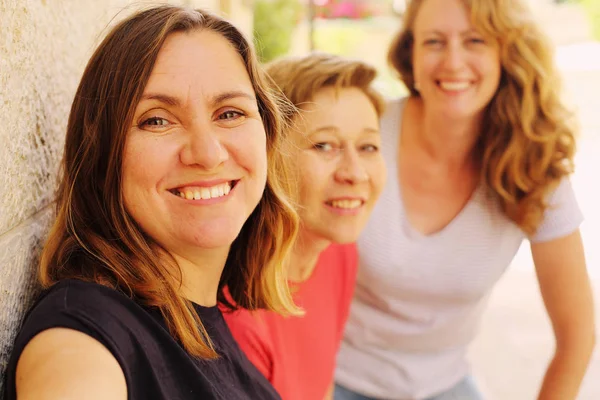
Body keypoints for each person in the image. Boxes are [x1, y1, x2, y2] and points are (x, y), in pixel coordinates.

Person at [2, 5, 302, 400]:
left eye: (229, 113)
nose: (207, 153)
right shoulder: (82, 340)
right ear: (102, 155)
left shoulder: (203, 316)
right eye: (157, 120)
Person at [334, 0, 596, 399]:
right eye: (434, 42)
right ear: (412, 55)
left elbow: (577, 335)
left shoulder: (535, 168)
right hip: (334, 375)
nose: (453, 62)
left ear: (504, 53)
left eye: (474, 40)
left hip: (445, 385)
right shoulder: (364, 136)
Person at [223, 52, 387, 400]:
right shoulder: (239, 316)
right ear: (267, 153)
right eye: (324, 146)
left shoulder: (338, 250)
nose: (355, 173)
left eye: (368, 146)